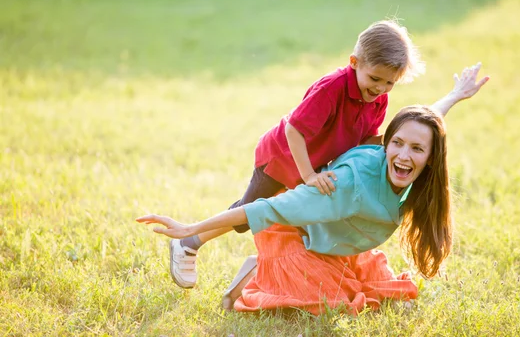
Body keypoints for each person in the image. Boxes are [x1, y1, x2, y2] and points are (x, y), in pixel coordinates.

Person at [137, 67, 489, 314]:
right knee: (333, 301)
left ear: (432, 156)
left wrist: (456, 95)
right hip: (303, 224)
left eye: (416, 149)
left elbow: (425, 122)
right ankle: (261, 267)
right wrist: (191, 230)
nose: (403, 153)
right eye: (396, 143)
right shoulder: (346, 184)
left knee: (365, 287)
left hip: (336, 237)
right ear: (386, 145)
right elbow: (265, 209)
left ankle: (266, 264)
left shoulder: (411, 159)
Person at [167, 20, 427, 289]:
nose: (381, 88)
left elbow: (364, 139)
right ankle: (188, 241)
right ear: (354, 62)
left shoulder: (377, 98)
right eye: (375, 79)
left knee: (302, 221)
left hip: (315, 163)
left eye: (390, 83)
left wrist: (397, 146)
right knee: (250, 212)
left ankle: (259, 268)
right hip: (282, 158)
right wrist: (309, 175)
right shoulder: (331, 88)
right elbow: (294, 130)